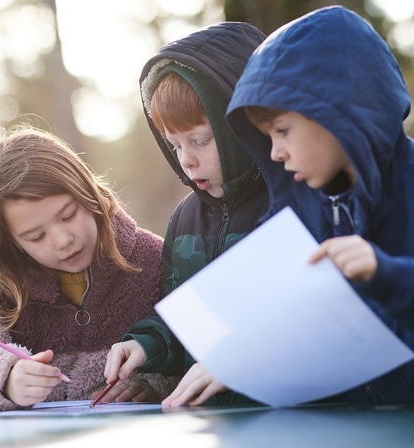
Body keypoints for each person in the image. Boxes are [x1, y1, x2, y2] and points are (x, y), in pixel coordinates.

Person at [226, 5, 414, 404]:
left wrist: (387, 275)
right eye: (267, 136)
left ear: (337, 112)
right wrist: (236, 359)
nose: (275, 153)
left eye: (282, 130)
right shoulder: (298, 215)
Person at [0, 124, 178, 412]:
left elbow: (192, 346)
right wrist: (5, 378)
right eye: (36, 236)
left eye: (68, 215)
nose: (63, 240)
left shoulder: (152, 261)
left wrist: (150, 386)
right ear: (10, 240)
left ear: (90, 192)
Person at [103, 22, 285, 407]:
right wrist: (146, 344)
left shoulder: (291, 202)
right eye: (174, 146)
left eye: (200, 141)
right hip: (214, 423)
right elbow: (187, 320)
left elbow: (304, 319)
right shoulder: (185, 220)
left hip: (290, 414)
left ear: (245, 122)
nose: (186, 160)